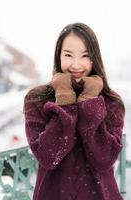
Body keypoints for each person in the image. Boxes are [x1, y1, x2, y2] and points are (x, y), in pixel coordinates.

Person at [24, 22, 125, 200]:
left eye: (85, 55)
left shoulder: (112, 102)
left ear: (94, 58)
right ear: (59, 56)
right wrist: (64, 99)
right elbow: (48, 156)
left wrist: (89, 102)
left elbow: (104, 159)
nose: (76, 65)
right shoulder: (36, 99)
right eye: (69, 55)